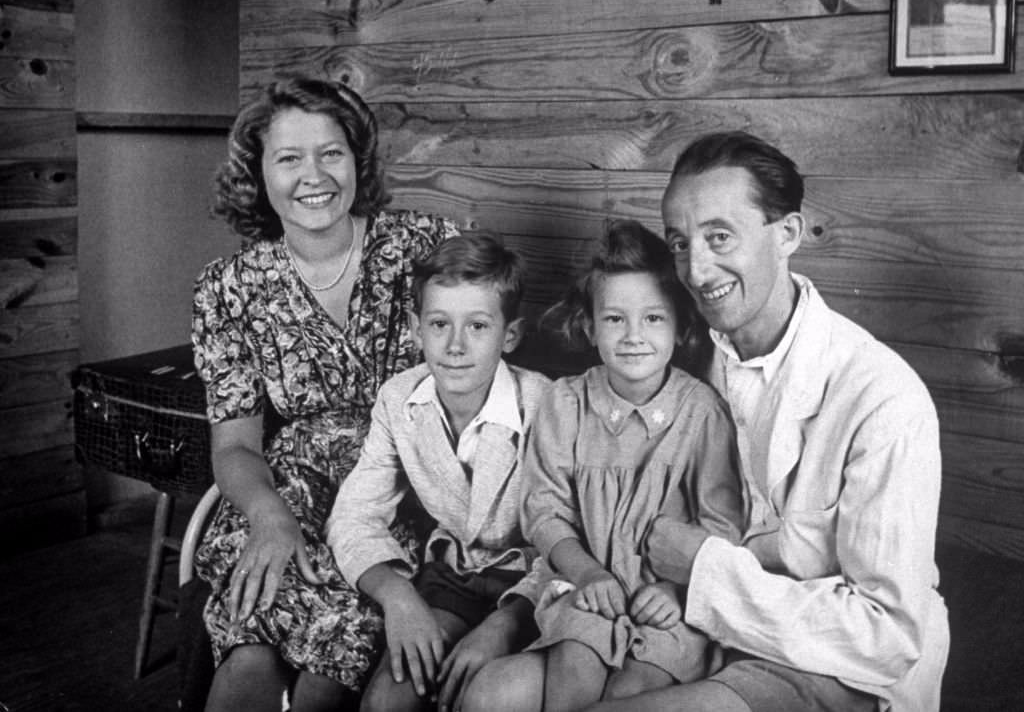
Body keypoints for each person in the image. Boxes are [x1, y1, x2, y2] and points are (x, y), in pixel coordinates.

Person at [582, 130, 949, 712]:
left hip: (834, 664)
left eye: (719, 237)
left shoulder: (881, 394)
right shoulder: (679, 358)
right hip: (696, 625)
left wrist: (703, 570)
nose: (697, 270)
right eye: (680, 243)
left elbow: (887, 637)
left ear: (788, 235)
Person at [191, 76, 457, 712]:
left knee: (332, 656)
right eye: (288, 158)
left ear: (356, 162)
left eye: (331, 153)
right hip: (288, 492)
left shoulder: (427, 245)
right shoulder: (227, 288)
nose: (314, 176)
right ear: (258, 174)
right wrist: (268, 515)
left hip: (404, 487)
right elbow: (233, 446)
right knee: (250, 647)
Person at [466, 220, 744, 712]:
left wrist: (678, 590)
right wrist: (590, 574)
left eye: (653, 319)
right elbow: (544, 512)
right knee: (574, 660)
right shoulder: (565, 402)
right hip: (586, 585)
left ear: (681, 327)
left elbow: (722, 523)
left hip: (672, 604)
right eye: (615, 319)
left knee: (629, 693)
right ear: (591, 327)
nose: (634, 335)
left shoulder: (702, 411)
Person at [327, 231, 553, 712]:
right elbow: (353, 516)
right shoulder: (399, 399)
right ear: (415, 328)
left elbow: (575, 539)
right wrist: (397, 598)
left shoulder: (548, 406)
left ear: (509, 335)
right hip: (451, 580)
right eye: (438, 324)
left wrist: (508, 622)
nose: (454, 346)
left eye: (477, 326)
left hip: (536, 590)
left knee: (480, 698)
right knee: (388, 699)